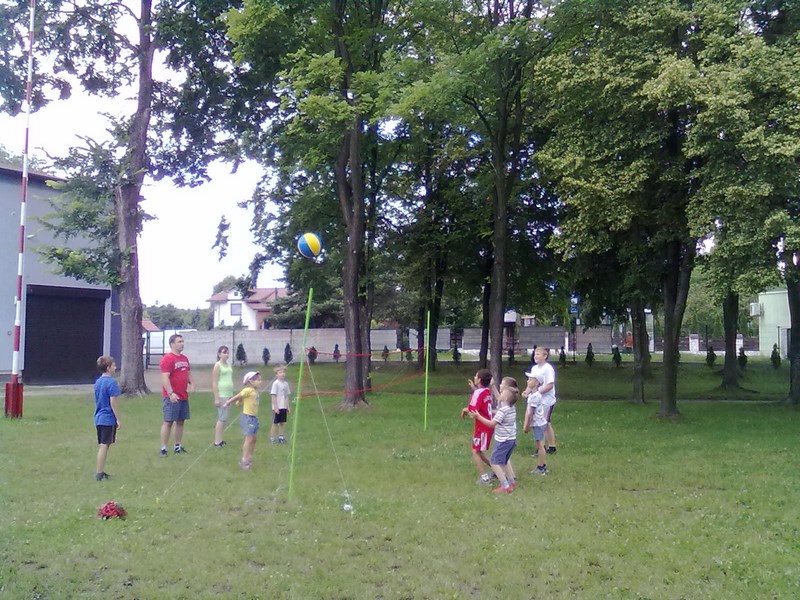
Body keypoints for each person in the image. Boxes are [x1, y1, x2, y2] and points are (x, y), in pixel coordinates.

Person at [468, 377, 520, 493]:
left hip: (503, 441)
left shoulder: (503, 411)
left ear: (505, 397)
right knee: (504, 462)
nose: (499, 394)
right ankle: (512, 482)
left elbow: (492, 424)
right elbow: (499, 402)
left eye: (502, 392)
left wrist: (479, 416)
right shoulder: (511, 408)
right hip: (511, 440)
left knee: (495, 462)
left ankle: (505, 485)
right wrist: (490, 410)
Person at [159, 333, 193, 457]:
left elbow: (188, 373)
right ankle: (163, 448)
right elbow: (165, 377)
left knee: (180, 421)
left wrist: (192, 384)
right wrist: (171, 393)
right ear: (172, 344)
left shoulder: (184, 359)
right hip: (172, 396)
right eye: (179, 342)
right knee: (168, 421)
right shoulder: (168, 359)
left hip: (183, 395)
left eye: (182, 341)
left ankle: (177, 446)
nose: (182, 344)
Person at [460, 368, 494, 484]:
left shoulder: (478, 393)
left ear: (479, 380)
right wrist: (474, 388)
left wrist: (464, 410)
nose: (474, 377)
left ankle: (484, 478)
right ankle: (497, 470)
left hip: (482, 427)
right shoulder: (487, 391)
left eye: (476, 376)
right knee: (479, 451)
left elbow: (473, 410)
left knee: (475, 451)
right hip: (487, 426)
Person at [224, 371, 263, 470]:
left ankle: (249, 456)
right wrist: (228, 402)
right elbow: (239, 395)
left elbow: (242, 398)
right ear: (251, 381)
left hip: (254, 417)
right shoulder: (248, 390)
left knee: (254, 439)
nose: (260, 382)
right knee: (249, 439)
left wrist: (240, 401)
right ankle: (244, 460)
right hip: (248, 418)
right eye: (258, 380)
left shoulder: (254, 391)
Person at [94, 355, 121, 481]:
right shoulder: (111, 383)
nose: (115, 367)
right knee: (104, 445)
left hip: (99, 417)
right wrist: (118, 418)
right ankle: (99, 473)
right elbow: (113, 401)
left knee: (104, 444)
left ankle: (101, 471)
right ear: (108, 368)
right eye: (113, 365)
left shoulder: (98, 382)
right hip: (107, 418)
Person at [527, 346, 557, 454]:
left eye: (538, 354)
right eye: (535, 354)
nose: (535, 356)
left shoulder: (548, 368)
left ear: (545, 356)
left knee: (542, 423)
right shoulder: (534, 368)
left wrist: (537, 392)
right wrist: (527, 391)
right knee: (544, 422)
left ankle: (542, 447)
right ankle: (548, 446)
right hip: (537, 400)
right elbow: (531, 383)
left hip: (547, 400)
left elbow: (549, 385)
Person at [522, 375, 548, 475]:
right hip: (539, 423)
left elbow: (530, 413)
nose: (528, 381)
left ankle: (541, 467)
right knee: (540, 444)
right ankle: (542, 465)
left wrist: (526, 426)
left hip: (538, 424)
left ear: (536, 383)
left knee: (540, 445)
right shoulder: (533, 395)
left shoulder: (534, 397)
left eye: (530, 379)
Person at [212, 345, 234, 447]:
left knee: (225, 418)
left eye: (227, 353)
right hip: (222, 393)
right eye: (224, 353)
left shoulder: (228, 364)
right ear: (219, 354)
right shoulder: (218, 365)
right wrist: (216, 398)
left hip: (229, 393)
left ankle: (220, 439)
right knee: (222, 418)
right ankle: (217, 441)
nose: (226, 355)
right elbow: (214, 382)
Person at [270, 365, 291, 444]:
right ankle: (272, 438)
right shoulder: (275, 384)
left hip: (283, 406)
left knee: (282, 422)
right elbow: (273, 396)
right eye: (280, 372)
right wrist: (276, 407)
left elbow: (286, 396)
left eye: (283, 372)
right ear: (276, 374)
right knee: (275, 423)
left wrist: (287, 406)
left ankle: (281, 437)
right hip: (277, 407)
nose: (282, 374)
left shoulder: (286, 384)